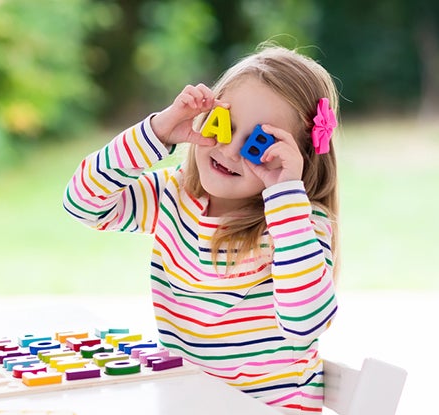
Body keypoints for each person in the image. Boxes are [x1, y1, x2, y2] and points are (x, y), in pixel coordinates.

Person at [63, 45, 340, 414]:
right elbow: (82, 203)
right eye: (222, 126)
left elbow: (306, 325)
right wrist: (158, 131)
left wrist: (285, 195)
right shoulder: (174, 195)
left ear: (295, 158)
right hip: (188, 403)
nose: (229, 151)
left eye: (260, 144)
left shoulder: (298, 224)